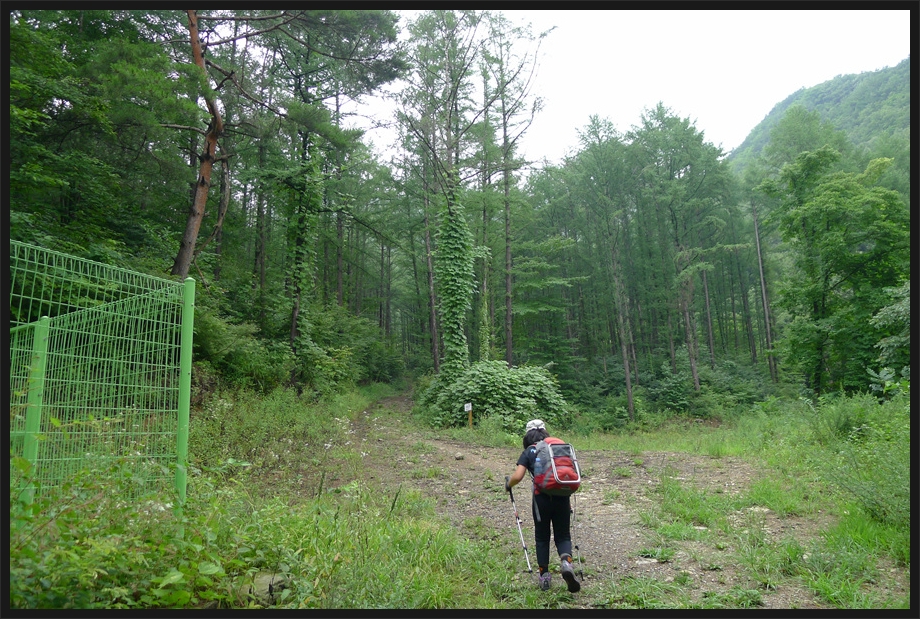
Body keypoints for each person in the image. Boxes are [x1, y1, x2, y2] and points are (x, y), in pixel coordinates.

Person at [505, 419, 581, 593]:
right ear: (545, 432)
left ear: (527, 434)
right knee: (563, 535)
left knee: (542, 537)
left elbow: (518, 476)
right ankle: (566, 563)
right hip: (562, 496)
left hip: (541, 499)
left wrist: (508, 484)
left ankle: (544, 576)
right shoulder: (556, 448)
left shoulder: (529, 451)